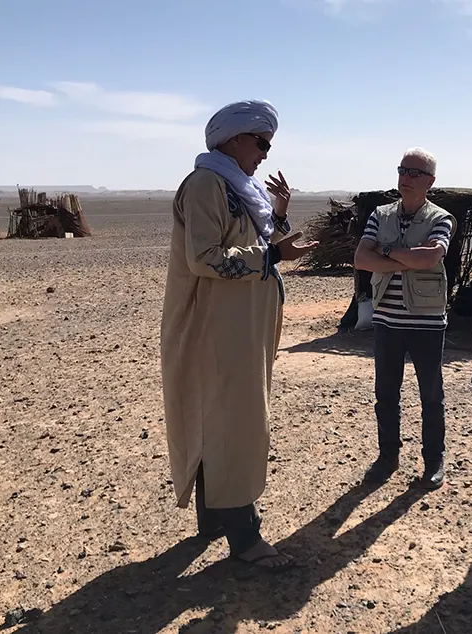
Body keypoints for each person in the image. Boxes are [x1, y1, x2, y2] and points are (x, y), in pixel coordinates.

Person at [160, 100, 317, 569]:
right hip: (216, 329)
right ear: (233, 139)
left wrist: (280, 218)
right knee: (235, 424)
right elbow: (206, 256)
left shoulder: (239, 188)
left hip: (240, 327)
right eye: (260, 142)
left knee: (228, 420)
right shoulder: (208, 184)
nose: (265, 154)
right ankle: (245, 540)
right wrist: (272, 257)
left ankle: (214, 518)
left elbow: (256, 244)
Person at [353, 147, 456, 489]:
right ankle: (387, 456)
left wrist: (385, 252)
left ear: (431, 181)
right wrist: (404, 258)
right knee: (386, 392)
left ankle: (433, 460)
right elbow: (361, 259)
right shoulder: (380, 214)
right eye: (403, 170)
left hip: (426, 318)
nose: (406, 178)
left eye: (415, 173)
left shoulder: (441, 218)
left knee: (431, 394)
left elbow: (431, 257)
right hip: (387, 317)